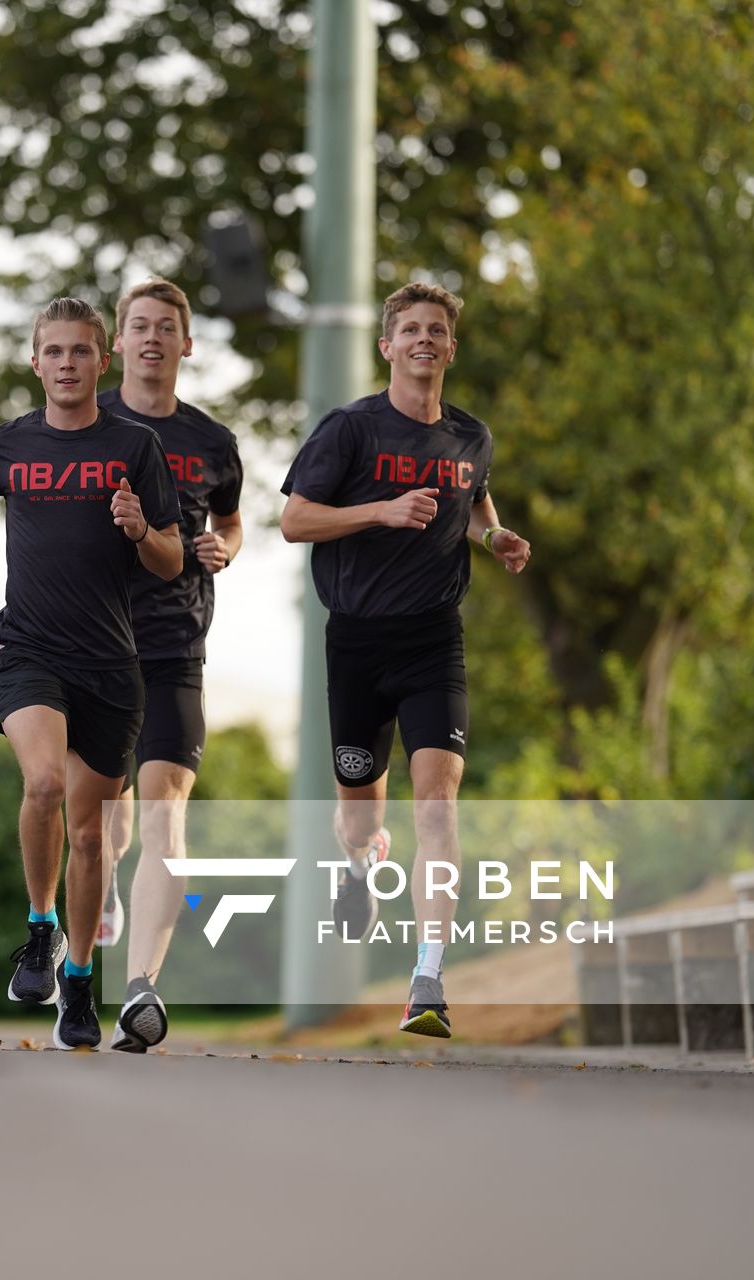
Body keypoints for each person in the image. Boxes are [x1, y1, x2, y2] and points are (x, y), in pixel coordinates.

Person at [279, 281, 531, 1038]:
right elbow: (295, 520)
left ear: (452, 347)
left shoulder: (471, 437)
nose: (425, 339)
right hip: (356, 641)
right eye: (411, 329)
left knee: (439, 804)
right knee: (360, 816)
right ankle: (361, 865)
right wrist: (381, 511)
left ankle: (428, 980)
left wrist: (493, 536)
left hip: (432, 641)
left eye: (437, 330)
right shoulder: (349, 430)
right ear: (387, 346)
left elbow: (473, 500)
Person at [0, 296, 182, 1050]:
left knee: (91, 835)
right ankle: (40, 930)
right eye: (55, 351)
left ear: (102, 362)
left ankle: (78, 984)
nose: (67, 364)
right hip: (29, 649)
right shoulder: (8, 444)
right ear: (35, 361)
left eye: (81, 351)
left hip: (110, 664)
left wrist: (141, 530)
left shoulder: (135, 446)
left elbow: (171, 558)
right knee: (43, 784)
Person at [91, 278, 244, 1054]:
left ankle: (140, 989)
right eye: (139, 326)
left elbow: (232, 522)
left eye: (166, 328)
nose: (152, 338)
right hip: (92, 645)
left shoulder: (211, 441)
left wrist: (224, 548)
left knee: (165, 814)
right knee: (104, 818)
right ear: (117, 343)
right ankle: (100, 896)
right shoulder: (85, 421)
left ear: (187, 344)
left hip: (176, 643)